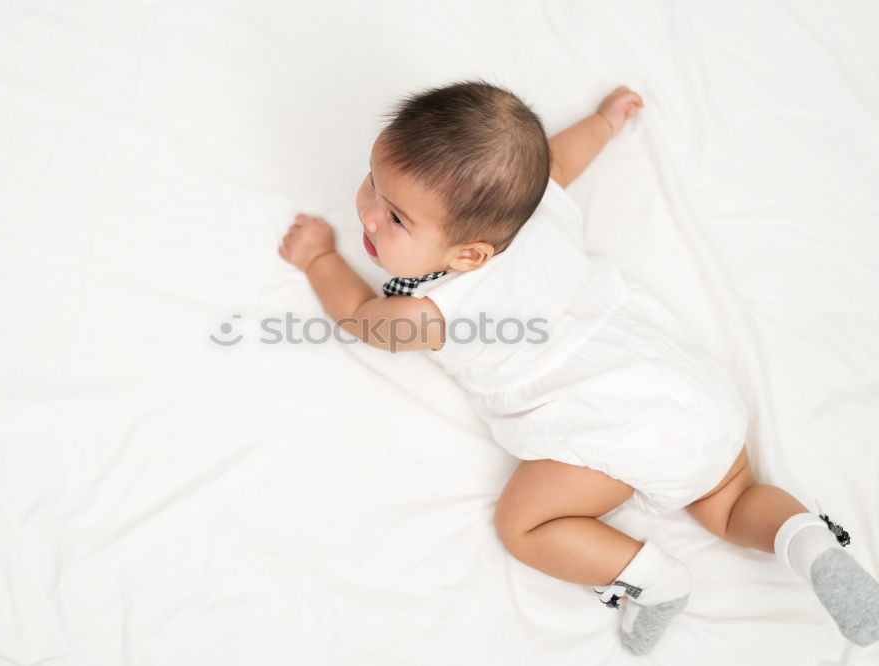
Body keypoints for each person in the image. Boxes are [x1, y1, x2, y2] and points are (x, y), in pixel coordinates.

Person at [277, 80, 879, 655]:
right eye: (373, 184)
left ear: (470, 255)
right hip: (689, 387)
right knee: (730, 498)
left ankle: (652, 578)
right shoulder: (538, 211)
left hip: (607, 423)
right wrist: (603, 124)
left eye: (396, 218)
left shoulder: (432, 312)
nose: (370, 216)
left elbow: (360, 314)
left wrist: (320, 258)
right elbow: (558, 165)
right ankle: (811, 543)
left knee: (523, 525)